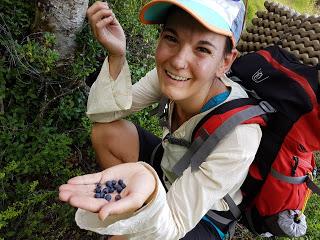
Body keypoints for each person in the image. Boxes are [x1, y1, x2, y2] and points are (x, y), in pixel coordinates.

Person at [59, 0, 262, 239]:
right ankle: (129, 205)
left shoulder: (239, 135)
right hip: (170, 170)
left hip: (202, 214)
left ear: (225, 62)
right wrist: (117, 55)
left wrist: (151, 185)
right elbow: (103, 114)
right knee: (107, 132)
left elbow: (174, 223)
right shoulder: (168, 77)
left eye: (203, 49)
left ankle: (134, 210)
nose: (178, 61)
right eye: (172, 38)